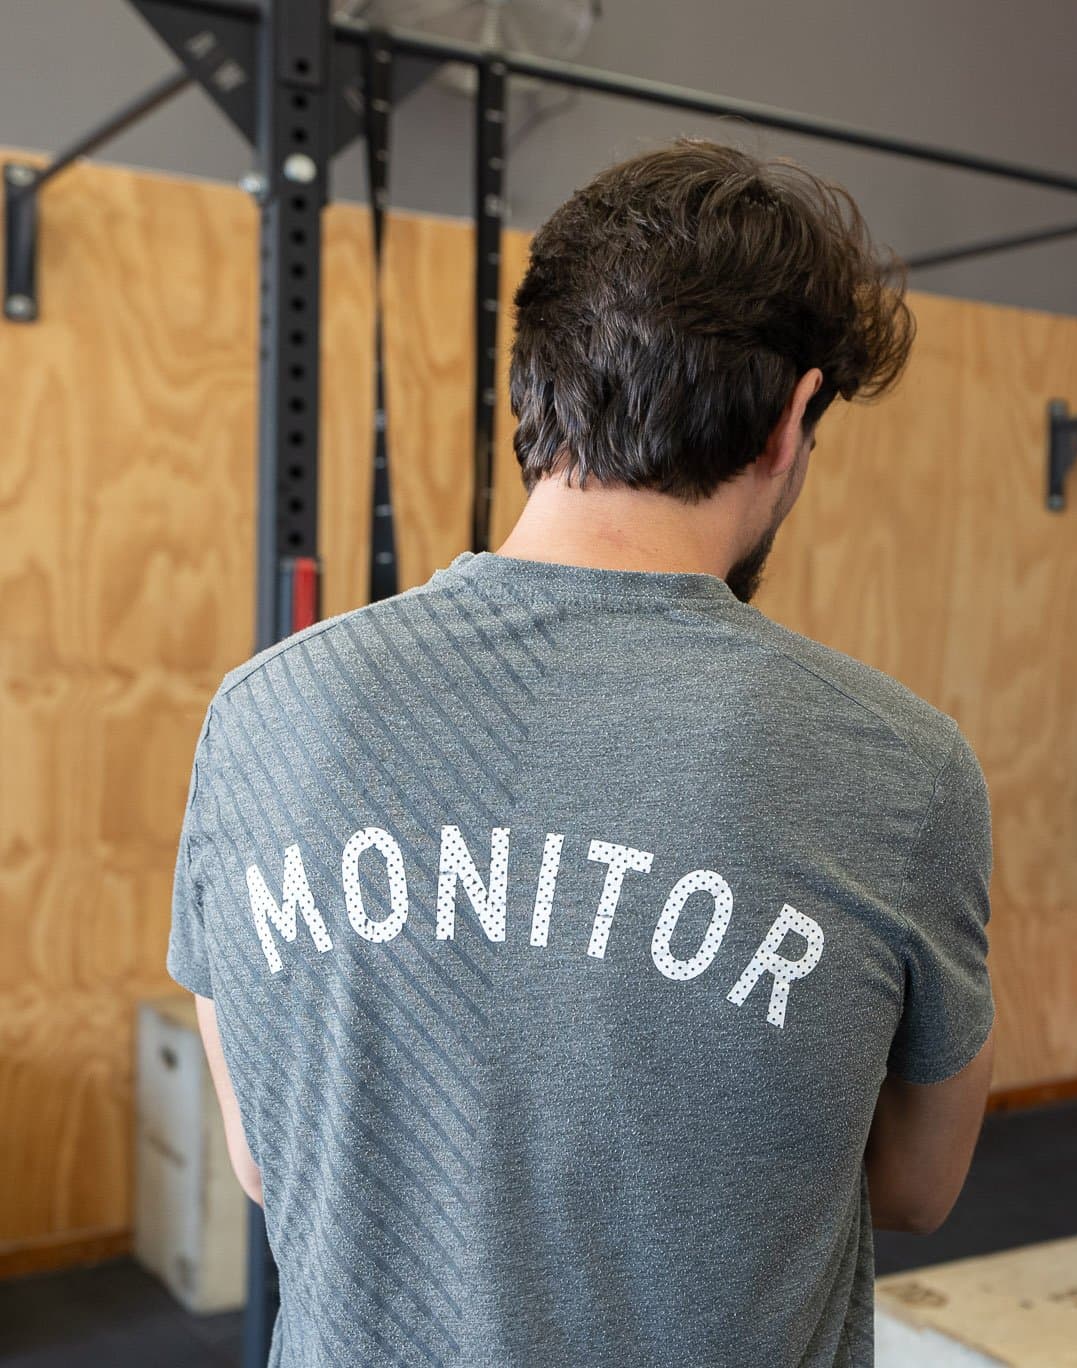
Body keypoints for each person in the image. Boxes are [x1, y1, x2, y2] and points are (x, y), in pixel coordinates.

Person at [167, 140, 997, 1368]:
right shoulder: (904, 769)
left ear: (535, 385)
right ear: (791, 421)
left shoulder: (256, 714)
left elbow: (263, 1154)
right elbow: (919, 1186)